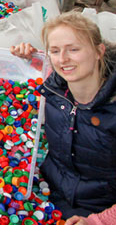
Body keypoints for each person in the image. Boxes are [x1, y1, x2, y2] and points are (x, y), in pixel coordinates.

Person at [10, 12, 116, 222]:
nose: (63, 59)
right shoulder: (54, 87)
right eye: (55, 51)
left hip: (101, 209)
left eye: (74, 49)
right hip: (47, 193)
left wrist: (99, 221)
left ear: (99, 51)